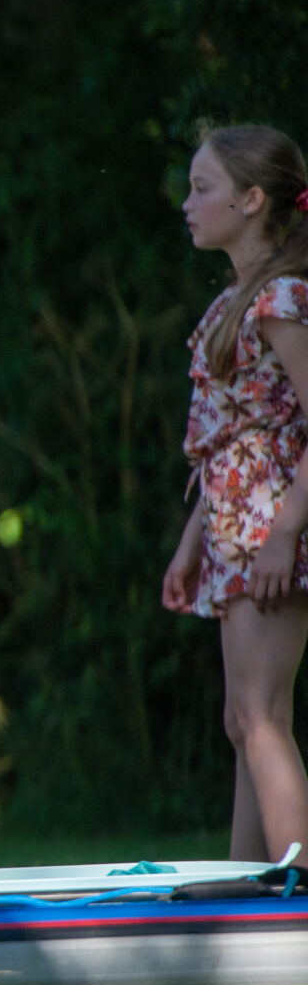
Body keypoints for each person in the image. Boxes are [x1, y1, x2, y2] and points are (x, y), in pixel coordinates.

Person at [162, 126, 308, 866]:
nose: (187, 203)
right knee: (241, 716)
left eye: (202, 187)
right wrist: (194, 543)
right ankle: (249, 890)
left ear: (253, 200)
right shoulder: (236, 300)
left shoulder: (282, 297)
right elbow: (229, 439)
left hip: (271, 525)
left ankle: (295, 898)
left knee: (262, 714)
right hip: (233, 526)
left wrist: (286, 529)